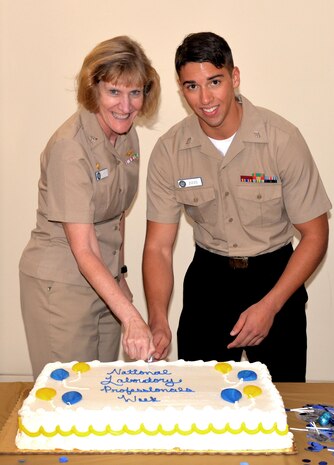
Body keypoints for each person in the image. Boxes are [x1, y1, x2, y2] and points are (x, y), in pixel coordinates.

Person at [142, 32, 331, 382]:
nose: (205, 98)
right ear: (182, 90)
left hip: (275, 278)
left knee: (281, 406)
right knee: (199, 404)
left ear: (235, 77)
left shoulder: (281, 138)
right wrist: (157, 319)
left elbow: (316, 234)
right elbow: (158, 247)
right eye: (192, 86)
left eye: (215, 81)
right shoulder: (170, 151)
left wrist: (271, 305)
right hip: (208, 280)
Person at [19, 36, 160, 379]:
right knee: (68, 401)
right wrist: (131, 317)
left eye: (135, 92)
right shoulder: (70, 148)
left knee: (102, 394)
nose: (126, 106)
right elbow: (83, 249)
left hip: (104, 282)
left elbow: (116, 216)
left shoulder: (127, 135)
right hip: (63, 287)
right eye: (114, 92)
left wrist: (121, 279)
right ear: (92, 88)